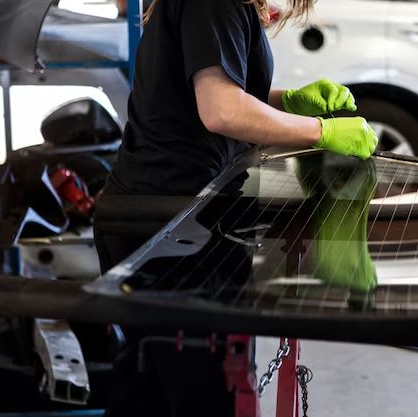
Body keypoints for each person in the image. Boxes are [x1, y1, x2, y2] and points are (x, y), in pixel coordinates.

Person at [94, 0, 377, 416]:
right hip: (166, 229)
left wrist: (290, 102)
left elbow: (213, 92)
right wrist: (320, 131)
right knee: (198, 395)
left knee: (151, 389)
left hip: (174, 216)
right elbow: (222, 110)